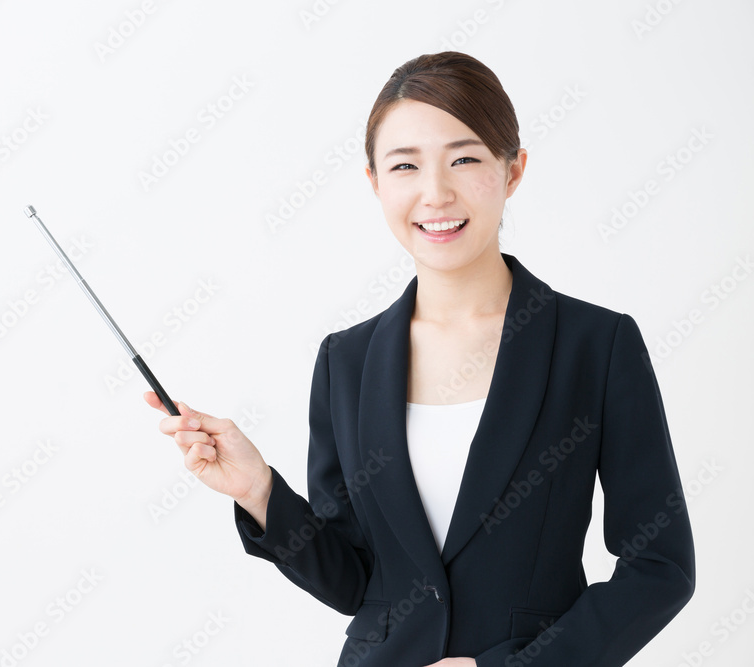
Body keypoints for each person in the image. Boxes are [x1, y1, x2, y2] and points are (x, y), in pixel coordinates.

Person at [144, 51, 695, 666]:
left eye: (464, 159)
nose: (436, 193)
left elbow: (660, 565)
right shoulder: (346, 362)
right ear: (376, 183)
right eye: (405, 166)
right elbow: (357, 582)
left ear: (512, 172)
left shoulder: (597, 345)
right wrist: (261, 492)